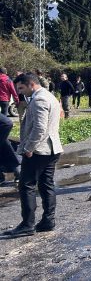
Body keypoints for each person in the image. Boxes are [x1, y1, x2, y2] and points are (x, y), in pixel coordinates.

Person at [3, 73, 63, 237]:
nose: (20, 92)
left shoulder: (39, 100)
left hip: (39, 150)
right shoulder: (49, 96)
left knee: (26, 185)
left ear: (31, 84)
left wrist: (29, 147)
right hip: (52, 149)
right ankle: (48, 220)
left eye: (21, 88)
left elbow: (39, 129)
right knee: (46, 184)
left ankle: (27, 224)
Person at [0, 112, 20, 185]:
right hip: (3, 130)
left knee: (7, 152)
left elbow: (7, 123)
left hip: (3, 128)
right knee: (7, 151)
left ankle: (19, 174)